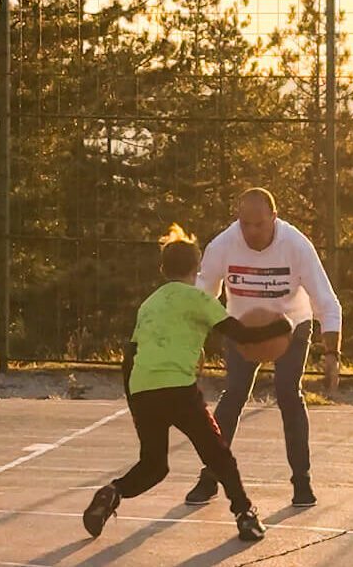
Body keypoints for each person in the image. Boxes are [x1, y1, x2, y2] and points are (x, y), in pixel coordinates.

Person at [82, 224, 292, 542]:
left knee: (154, 465)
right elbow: (241, 335)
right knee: (218, 455)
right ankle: (245, 515)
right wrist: (281, 327)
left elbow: (130, 354)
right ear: (197, 269)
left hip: (142, 388)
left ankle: (113, 492)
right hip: (178, 389)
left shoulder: (149, 304)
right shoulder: (198, 299)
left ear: (162, 269)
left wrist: (135, 401)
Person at [185, 188, 342, 508]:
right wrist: (192, 343)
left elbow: (325, 300)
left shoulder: (295, 245)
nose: (251, 231)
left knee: (288, 394)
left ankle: (302, 481)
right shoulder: (224, 245)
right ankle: (210, 475)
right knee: (233, 396)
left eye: (258, 224)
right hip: (242, 328)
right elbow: (203, 296)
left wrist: (331, 353)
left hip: (290, 326)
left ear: (274, 217)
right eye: (245, 224)